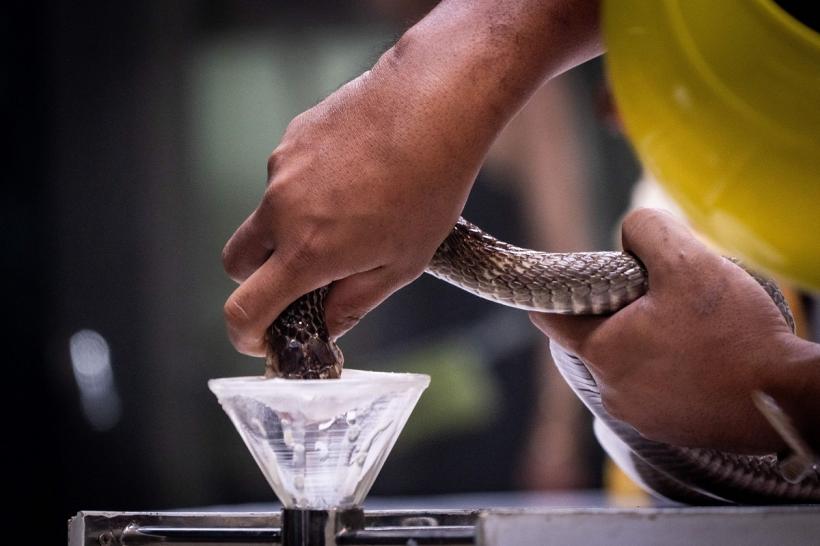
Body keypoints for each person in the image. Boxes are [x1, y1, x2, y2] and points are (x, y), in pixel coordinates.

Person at [221, 0, 820, 456]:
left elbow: (561, 230)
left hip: (512, 393)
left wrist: (774, 378)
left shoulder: (528, 102)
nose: (614, 113)